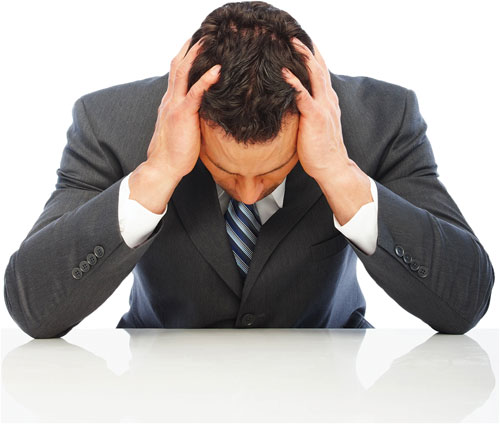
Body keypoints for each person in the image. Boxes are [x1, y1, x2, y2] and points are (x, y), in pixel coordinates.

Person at [3, 1, 494, 338]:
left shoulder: (383, 120)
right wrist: (156, 173)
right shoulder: (110, 124)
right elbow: (32, 308)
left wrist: (341, 175)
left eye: (273, 171)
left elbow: (464, 301)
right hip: (156, 387)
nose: (248, 193)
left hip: (334, 388)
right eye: (226, 170)